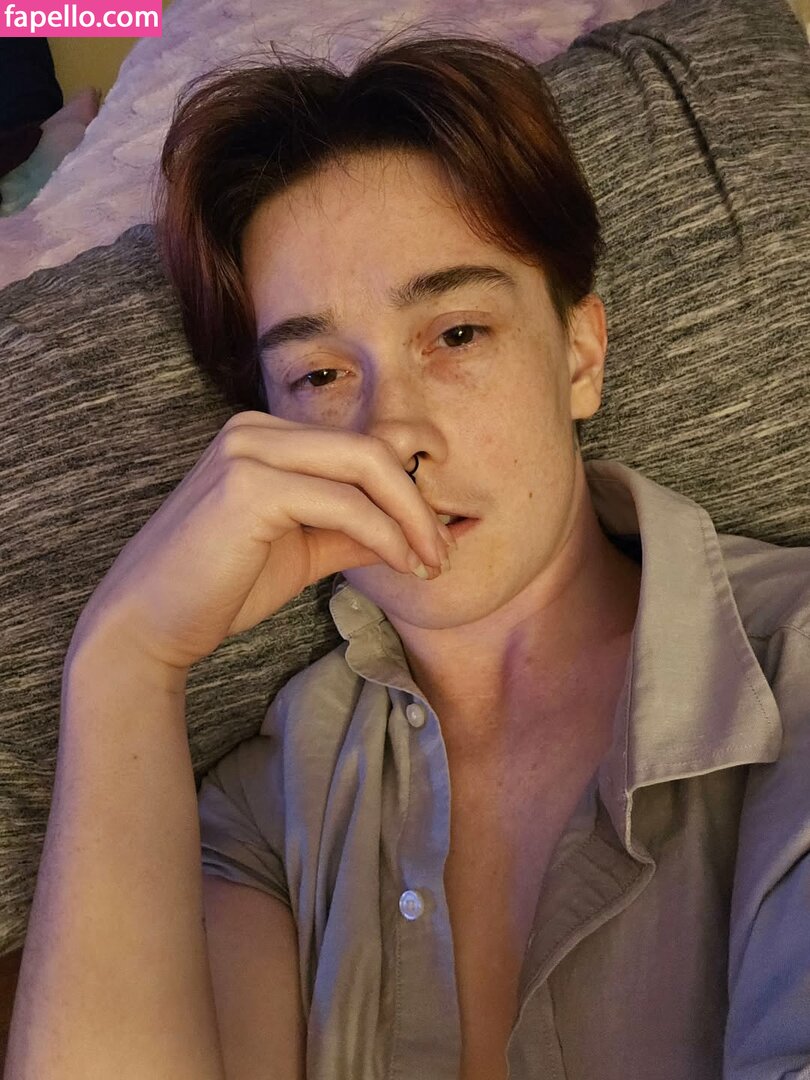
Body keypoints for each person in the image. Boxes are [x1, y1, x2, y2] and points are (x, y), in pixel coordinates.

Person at [6, 27, 809, 1080]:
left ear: (580, 355)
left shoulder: (792, 672)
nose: (395, 435)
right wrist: (124, 661)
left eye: (458, 334)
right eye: (319, 377)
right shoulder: (265, 808)